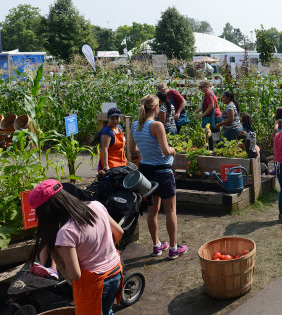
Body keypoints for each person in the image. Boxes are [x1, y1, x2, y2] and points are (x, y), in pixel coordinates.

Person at [28, 179, 124, 315]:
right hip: (115, 271)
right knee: (107, 310)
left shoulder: (66, 232)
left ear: (47, 211)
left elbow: (75, 275)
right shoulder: (96, 206)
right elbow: (119, 232)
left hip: (94, 285)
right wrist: (101, 252)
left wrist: (61, 259)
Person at [128, 94, 187, 260]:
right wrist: (174, 149)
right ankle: (174, 248)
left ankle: (156, 246)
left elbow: (132, 149)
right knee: (170, 211)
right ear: (156, 108)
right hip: (163, 172)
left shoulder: (134, 125)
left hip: (146, 173)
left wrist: (147, 151)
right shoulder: (156, 125)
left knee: (152, 211)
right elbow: (166, 151)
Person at [98, 107, 127, 172]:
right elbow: (104, 149)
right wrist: (106, 165)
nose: (115, 121)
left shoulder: (119, 128)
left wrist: (125, 158)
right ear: (108, 119)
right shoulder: (107, 131)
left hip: (121, 160)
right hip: (111, 162)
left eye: (117, 118)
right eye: (112, 119)